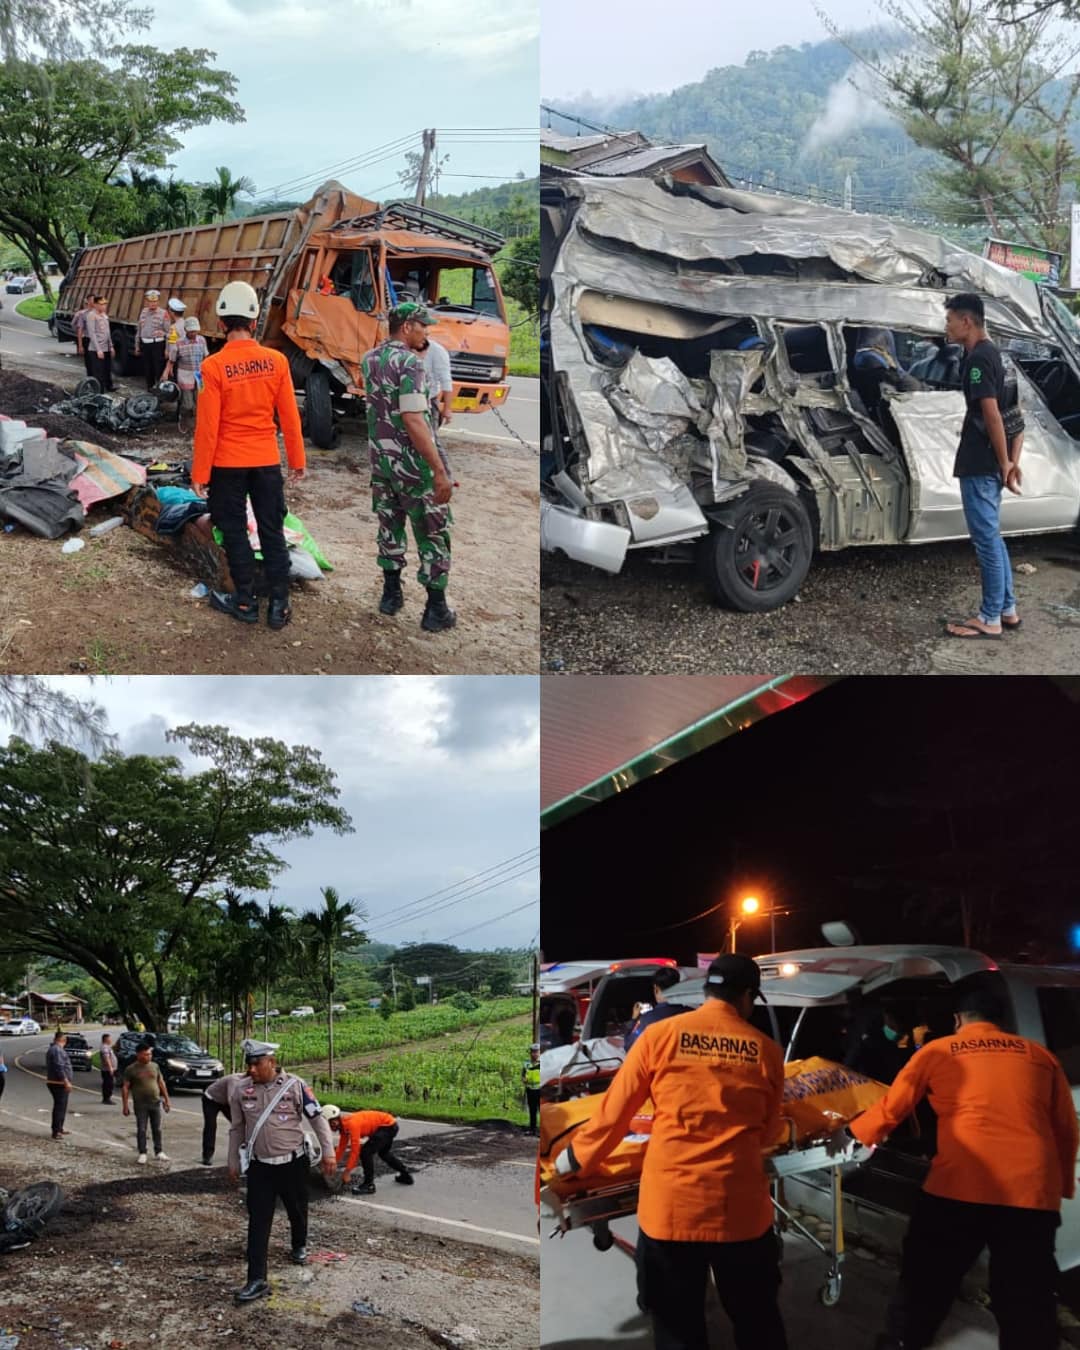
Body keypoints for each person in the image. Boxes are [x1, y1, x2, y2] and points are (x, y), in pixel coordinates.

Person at [556, 954, 787, 1350]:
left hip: (672, 1211)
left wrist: (573, 1162)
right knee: (758, 1321)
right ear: (749, 996)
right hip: (741, 1213)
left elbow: (615, 1115)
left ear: (706, 991)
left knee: (678, 1329)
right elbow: (768, 1132)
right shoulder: (765, 1051)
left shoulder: (661, 1037)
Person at [844, 986, 1079, 1350]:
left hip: (959, 1188)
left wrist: (852, 1133)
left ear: (958, 1020)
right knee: (1027, 1299)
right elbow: (1066, 1128)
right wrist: (1060, 1187)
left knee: (926, 1282)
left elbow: (893, 1107)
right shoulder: (1040, 1056)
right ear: (1001, 1022)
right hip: (1030, 1195)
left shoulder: (939, 1051)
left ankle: (905, 1342)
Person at [191, 281, 305, 631]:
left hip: (227, 464)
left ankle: (245, 601)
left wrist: (200, 473)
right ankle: (279, 607)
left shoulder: (213, 366)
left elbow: (207, 426)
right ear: (255, 322)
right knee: (272, 530)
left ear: (222, 324)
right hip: (266, 461)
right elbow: (289, 415)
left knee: (236, 532)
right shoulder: (276, 361)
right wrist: (297, 460)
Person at [358, 301, 456, 632]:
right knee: (433, 533)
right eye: (423, 326)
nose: (426, 333)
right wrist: (439, 470)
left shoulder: (369, 360)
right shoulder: (410, 364)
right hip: (414, 467)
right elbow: (415, 420)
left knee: (390, 526)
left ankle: (390, 595)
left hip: (382, 464)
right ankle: (436, 609)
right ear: (407, 326)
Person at [942, 293, 1025, 640]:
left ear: (966, 321)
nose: (945, 326)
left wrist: (1005, 461)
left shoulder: (977, 360)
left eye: (948, 319)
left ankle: (989, 617)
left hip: (980, 461)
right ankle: (1007, 609)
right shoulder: (1000, 357)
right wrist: (1010, 463)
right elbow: (1016, 417)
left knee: (986, 542)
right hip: (994, 462)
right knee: (994, 538)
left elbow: (992, 413)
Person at [227, 1039, 335, 1304]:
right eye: (248, 1064)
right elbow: (237, 1128)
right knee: (258, 1220)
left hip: (293, 1164)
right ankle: (256, 1279)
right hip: (259, 1167)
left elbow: (317, 1118)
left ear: (272, 1062)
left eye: (257, 1063)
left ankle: (299, 1244)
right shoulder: (241, 1089)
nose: (251, 1069)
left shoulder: (295, 1085)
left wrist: (328, 1151)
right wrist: (232, 1160)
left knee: (297, 1209)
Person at [321, 1101, 413, 1193]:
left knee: (366, 1152)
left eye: (328, 1124)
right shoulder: (344, 1126)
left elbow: (355, 1151)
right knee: (384, 1153)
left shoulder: (352, 1124)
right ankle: (406, 1175)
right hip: (390, 1125)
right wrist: (332, 1163)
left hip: (387, 1126)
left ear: (334, 1121)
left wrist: (347, 1171)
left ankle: (369, 1185)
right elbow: (341, 1147)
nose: (328, 1128)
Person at [121, 1039, 171, 1163]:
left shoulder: (155, 1066)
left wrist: (166, 1099)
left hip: (155, 1102)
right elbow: (126, 1087)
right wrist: (125, 1105)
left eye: (150, 1054)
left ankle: (159, 1151)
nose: (149, 1056)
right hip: (140, 1104)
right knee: (142, 1128)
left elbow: (161, 1082)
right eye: (146, 1054)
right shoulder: (131, 1069)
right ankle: (142, 1152)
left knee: (157, 1128)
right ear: (138, 1054)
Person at [623, 969, 691, 1054]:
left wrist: (633, 1020)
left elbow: (629, 1046)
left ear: (656, 989)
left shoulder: (647, 1020)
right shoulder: (692, 1014)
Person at [844, 1007, 915, 1085]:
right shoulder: (866, 1039)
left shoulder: (890, 1043)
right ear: (886, 1018)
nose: (896, 1032)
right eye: (893, 1027)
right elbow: (851, 1062)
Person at [420, 334, 454, 473]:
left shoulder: (437, 351)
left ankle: (445, 475)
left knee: (431, 440)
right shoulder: (405, 348)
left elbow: (446, 381)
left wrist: (447, 409)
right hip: (406, 400)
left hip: (428, 402)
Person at [163, 316, 208, 413]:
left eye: (195, 331)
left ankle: (195, 418)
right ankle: (184, 413)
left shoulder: (202, 340)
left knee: (200, 399)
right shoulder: (179, 343)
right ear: (185, 330)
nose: (194, 334)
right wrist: (166, 372)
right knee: (188, 404)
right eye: (191, 331)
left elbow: (206, 357)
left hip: (200, 375)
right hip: (185, 375)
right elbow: (172, 360)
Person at [202, 1070, 246, 1166]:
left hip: (224, 1101)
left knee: (240, 1125)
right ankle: (207, 1155)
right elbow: (231, 1100)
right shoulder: (234, 1080)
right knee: (211, 1125)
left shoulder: (251, 1083)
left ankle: (243, 1152)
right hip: (211, 1099)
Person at [133, 289, 169, 390]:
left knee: (158, 369)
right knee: (147, 368)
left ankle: (160, 390)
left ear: (158, 302)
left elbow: (169, 332)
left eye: (155, 301)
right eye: (150, 301)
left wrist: (167, 348)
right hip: (145, 344)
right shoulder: (144, 312)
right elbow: (139, 329)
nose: (153, 303)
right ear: (147, 302)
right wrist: (136, 345)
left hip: (158, 345)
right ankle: (150, 389)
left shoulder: (163, 313)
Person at [45, 1030, 73, 1141]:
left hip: (58, 1082)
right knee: (59, 1107)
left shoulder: (55, 1049)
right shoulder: (57, 1050)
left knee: (62, 1106)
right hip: (58, 1083)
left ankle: (59, 1127)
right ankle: (56, 1130)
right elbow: (59, 1067)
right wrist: (66, 1081)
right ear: (64, 1040)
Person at [84, 296, 115, 392]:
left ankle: (109, 386)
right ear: (96, 304)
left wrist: (111, 346)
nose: (104, 306)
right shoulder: (91, 315)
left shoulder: (104, 315)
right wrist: (98, 350)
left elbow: (107, 332)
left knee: (107, 369)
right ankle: (99, 391)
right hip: (96, 349)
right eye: (101, 304)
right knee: (98, 371)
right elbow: (92, 333)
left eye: (105, 304)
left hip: (106, 347)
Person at [522, 1042, 541, 1135]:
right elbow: (523, 1075)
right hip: (530, 1089)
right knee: (532, 1110)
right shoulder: (526, 1064)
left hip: (540, 1090)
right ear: (530, 1053)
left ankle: (543, 1131)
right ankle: (532, 1129)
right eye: (533, 1052)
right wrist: (524, 1079)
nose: (535, 1054)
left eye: (536, 1052)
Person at [72, 302, 93, 377]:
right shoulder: (81, 314)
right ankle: (90, 377)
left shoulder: (99, 314)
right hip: (86, 339)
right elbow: (76, 327)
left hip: (93, 340)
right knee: (89, 361)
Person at [100, 1032, 118, 1105]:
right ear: (106, 1039)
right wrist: (110, 1067)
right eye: (110, 1038)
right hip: (107, 1070)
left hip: (109, 1069)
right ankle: (107, 1098)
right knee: (108, 1084)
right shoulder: (104, 1047)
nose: (111, 1040)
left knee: (109, 1083)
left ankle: (107, 1098)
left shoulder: (107, 1047)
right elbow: (106, 1058)